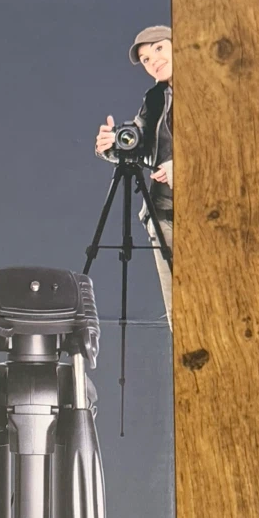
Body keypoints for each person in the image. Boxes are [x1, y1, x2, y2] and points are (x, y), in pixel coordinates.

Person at [94, 25, 174, 324]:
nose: (154, 61)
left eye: (159, 49)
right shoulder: (155, 98)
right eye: (145, 59)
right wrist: (110, 146)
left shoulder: (213, 88)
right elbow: (137, 143)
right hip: (164, 215)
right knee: (178, 311)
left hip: (214, 216)